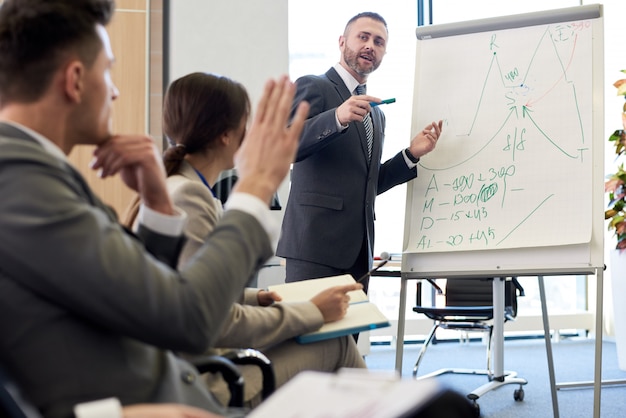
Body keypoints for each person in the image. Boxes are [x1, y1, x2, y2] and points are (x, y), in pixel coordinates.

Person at [0, 1, 308, 417]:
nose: (114, 90)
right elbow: (188, 317)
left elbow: (141, 297)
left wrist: (157, 204)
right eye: (106, 71)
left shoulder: (34, 171)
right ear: (74, 80)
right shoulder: (20, 179)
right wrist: (254, 188)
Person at [124, 72, 366, 406]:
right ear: (228, 136)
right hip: (205, 384)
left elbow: (186, 291)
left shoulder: (178, 188)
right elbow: (218, 322)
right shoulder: (189, 198)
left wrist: (255, 296)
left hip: (190, 367)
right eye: (247, 125)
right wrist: (312, 312)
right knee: (334, 342)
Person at [276, 12, 444, 293]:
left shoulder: (376, 116)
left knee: (347, 338)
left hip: (358, 255)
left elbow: (368, 185)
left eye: (378, 42)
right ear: (342, 42)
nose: (370, 46)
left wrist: (411, 154)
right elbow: (284, 148)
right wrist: (336, 118)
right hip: (314, 249)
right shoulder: (313, 86)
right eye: (363, 37)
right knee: (310, 335)